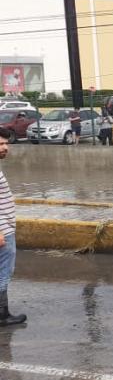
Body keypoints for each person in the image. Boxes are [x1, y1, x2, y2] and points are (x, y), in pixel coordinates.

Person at [0, 129, 25, 325]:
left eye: (6, 143)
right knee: (4, 271)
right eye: (0, 144)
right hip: (3, 231)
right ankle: (2, 315)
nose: (5, 147)